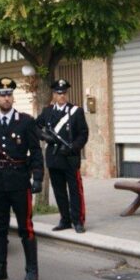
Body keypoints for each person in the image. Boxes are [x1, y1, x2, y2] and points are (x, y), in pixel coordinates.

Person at [0, 77, 44, 280]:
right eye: (2, 95)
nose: (6, 98)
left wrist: (38, 177)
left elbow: (35, 151)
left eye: (9, 94)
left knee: (26, 227)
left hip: (19, 180)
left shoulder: (25, 121)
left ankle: (31, 270)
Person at [36, 79, 89, 233]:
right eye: (59, 93)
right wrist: (45, 137)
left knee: (75, 191)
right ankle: (64, 220)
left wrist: (74, 147)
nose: (62, 96)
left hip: (70, 158)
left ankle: (78, 221)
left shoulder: (76, 111)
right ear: (54, 94)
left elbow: (83, 134)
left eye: (64, 93)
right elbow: (35, 126)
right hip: (54, 159)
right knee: (59, 191)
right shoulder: (48, 112)